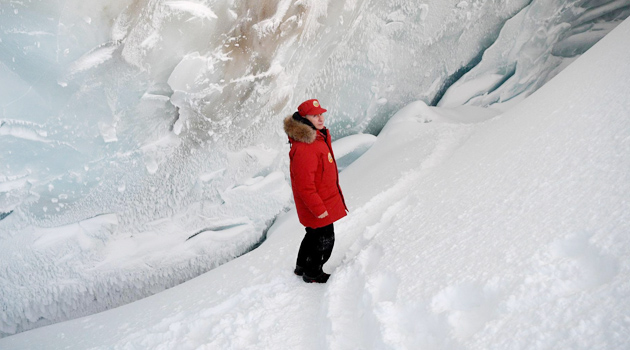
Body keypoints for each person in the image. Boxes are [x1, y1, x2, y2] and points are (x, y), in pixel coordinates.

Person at [283, 99, 348, 283]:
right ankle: (313, 273)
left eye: (321, 114)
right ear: (304, 119)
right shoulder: (306, 147)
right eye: (314, 115)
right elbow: (305, 186)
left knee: (313, 234)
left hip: (321, 200)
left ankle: (302, 266)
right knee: (325, 239)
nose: (320, 118)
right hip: (318, 205)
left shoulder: (316, 137)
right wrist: (319, 209)